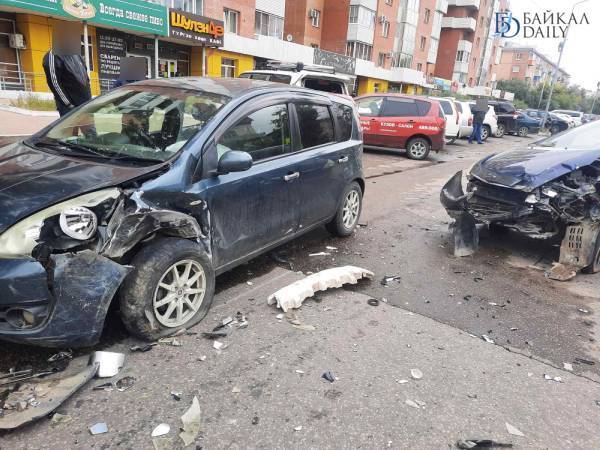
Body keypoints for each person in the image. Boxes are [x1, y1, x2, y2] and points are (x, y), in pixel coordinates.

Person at [42, 24, 91, 116]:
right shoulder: (53, 55)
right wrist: (68, 104)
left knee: (89, 125)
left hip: (85, 104)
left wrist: (89, 99)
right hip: (69, 107)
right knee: (70, 126)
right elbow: (54, 83)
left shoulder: (77, 55)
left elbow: (85, 77)